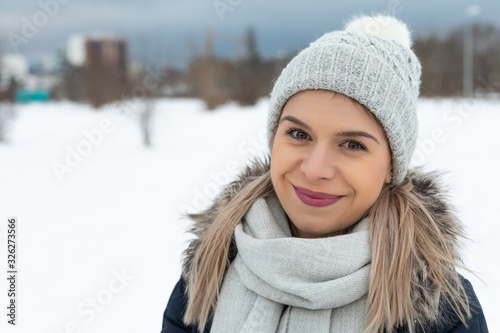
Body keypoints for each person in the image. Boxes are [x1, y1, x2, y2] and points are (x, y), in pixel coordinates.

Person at [161, 14, 489, 333]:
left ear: (391, 166)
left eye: (352, 144)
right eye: (299, 135)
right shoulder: (209, 270)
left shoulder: (440, 310)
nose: (315, 170)